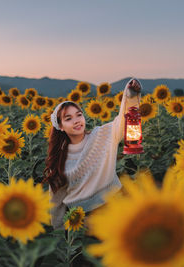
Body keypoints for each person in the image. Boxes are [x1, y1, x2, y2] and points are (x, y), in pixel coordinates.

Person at [42, 78, 142, 230]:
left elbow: (123, 123)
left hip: (117, 204)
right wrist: (60, 232)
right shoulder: (59, 159)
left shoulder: (101, 136)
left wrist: (131, 96)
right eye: (68, 118)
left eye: (78, 115)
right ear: (61, 127)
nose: (76, 121)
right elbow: (56, 202)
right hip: (85, 221)